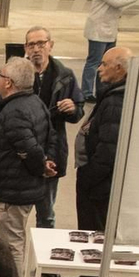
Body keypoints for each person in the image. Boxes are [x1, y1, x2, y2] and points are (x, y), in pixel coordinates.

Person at [0, 56, 52, 277]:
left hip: (13, 189)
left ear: (8, 83)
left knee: (10, 242)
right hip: (17, 186)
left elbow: (30, 149)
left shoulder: (16, 111)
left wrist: (39, 167)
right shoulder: (34, 103)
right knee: (11, 238)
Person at [69, 45, 132, 277]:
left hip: (99, 184)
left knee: (95, 233)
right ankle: (86, 275)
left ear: (119, 68)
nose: (100, 68)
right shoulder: (112, 94)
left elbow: (109, 151)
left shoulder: (117, 102)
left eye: (105, 64)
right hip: (94, 180)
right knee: (87, 230)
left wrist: (89, 176)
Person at [19, 26, 83, 230]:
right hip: (21, 153)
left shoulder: (65, 76)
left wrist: (73, 108)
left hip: (52, 151)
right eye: (32, 44)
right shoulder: (16, 74)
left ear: (50, 45)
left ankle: (40, 259)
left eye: (41, 43)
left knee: (46, 214)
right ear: (25, 48)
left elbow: (78, 112)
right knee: (16, 215)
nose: (36, 49)